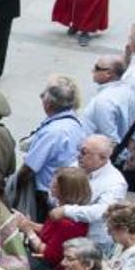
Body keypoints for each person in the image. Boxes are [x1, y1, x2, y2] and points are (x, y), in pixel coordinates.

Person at [17, 75, 88, 219]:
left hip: (46, 195)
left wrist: (14, 190)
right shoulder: (74, 123)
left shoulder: (54, 132)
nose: (41, 97)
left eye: (43, 95)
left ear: (49, 103)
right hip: (64, 191)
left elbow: (29, 168)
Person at [51, 134, 129, 250]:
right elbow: (56, 187)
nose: (79, 156)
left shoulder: (115, 183)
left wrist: (66, 210)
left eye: (84, 152)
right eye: (80, 150)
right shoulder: (77, 165)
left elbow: (101, 212)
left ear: (102, 158)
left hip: (92, 242)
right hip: (64, 230)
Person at [79, 55, 135, 145]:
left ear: (108, 73)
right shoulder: (129, 92)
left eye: (97, 68)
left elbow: (110, 141)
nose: (92, 70)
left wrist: (122, 157)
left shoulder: (103, 101)